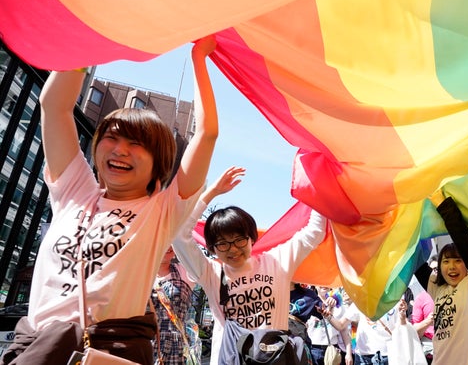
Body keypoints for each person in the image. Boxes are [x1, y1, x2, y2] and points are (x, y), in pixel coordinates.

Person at [0, 36, 219, 365]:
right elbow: (54, 106)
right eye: (111, 137)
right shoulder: (75, 190)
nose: (120, 149)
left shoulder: (161, 211)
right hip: (37, 347)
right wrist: (94, 33)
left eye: (136, 143)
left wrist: (199, 59)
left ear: (158, 161)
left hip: (107, 352)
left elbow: (207, 134)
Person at [172, 166, 327, 365]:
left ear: (251, 238)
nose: (233, 249)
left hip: (276, 358)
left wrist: (318, 185)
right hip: (233, 359)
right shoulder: (211, 273)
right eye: (222, 243)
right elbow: (179, 235)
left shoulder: (276, 262)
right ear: (213, 248)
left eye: (239, 240)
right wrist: (212, 192)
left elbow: (315, 231)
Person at [414, 196, 468, 365]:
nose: (451, 267)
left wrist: (443, 204)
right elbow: (416, 262)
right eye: (446, 261)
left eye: (458, 260)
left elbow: (464, 242)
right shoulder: (438, 289)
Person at [152, 247, 202, 365]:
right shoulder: (139, 274)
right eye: (163, 240)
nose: (168, 245)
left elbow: (213, 266)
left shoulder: (184, 271)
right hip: (146, 343)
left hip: (177, 348)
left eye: (172, 240)